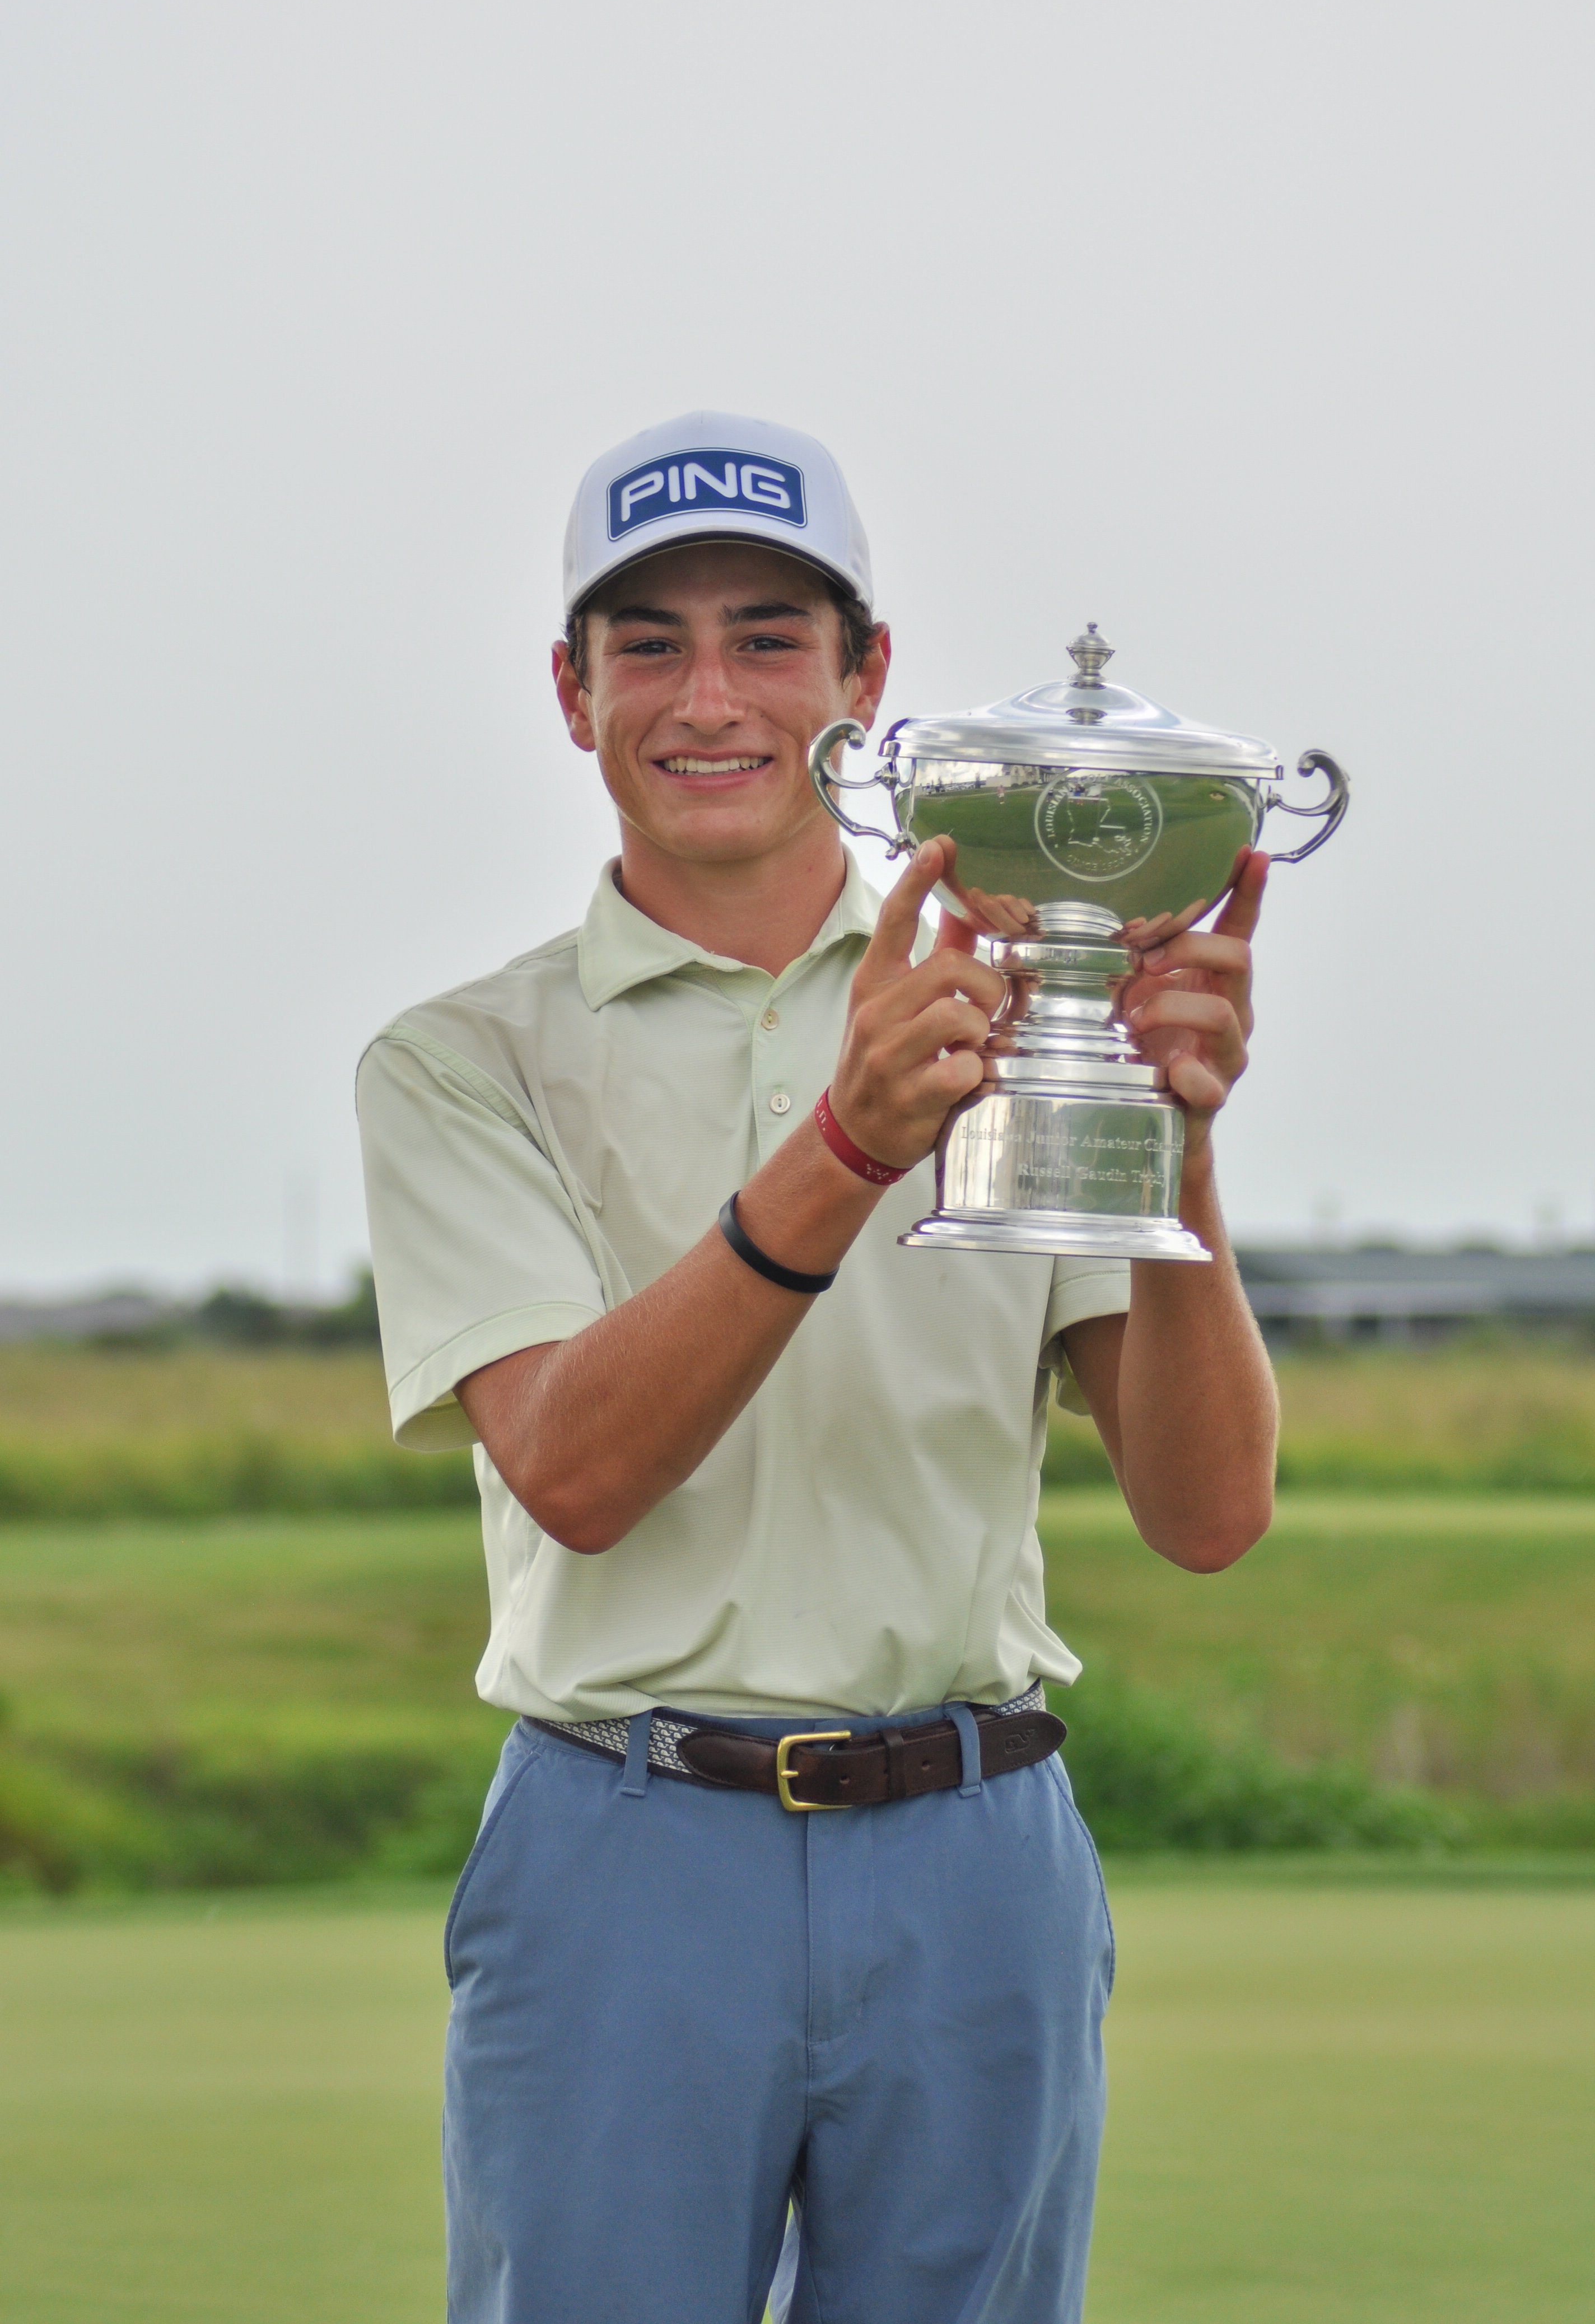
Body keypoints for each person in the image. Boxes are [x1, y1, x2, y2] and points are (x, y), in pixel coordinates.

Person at [356, 410, 1277, 2324]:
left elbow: (1207, 1515)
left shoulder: (1022, 1016)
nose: (711, 697)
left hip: (976, 1843)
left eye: (771, 638)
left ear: (868, 684)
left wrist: (1170, 1138)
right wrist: (851, 1142)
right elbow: (575, 1472)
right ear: (572, 694)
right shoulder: (464, 1060)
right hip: (627, 1840)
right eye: (651, 644)